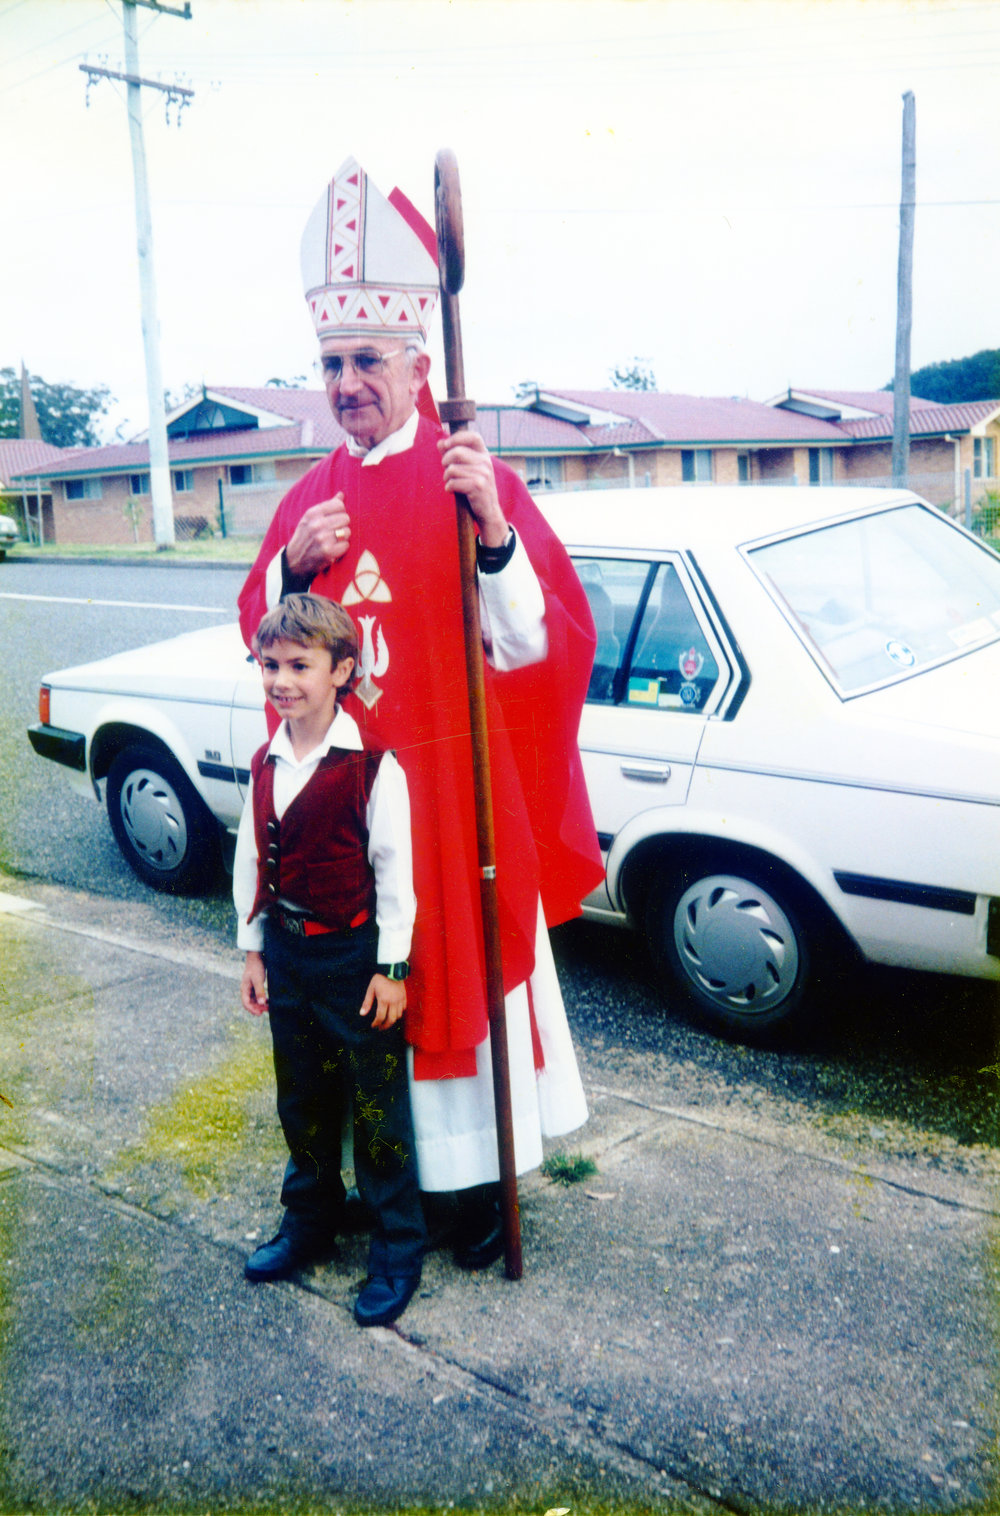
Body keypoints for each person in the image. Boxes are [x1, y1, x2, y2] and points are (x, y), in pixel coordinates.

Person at [238, 156, 604, 1269]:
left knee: (457, 976)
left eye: (366, 360)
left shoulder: (465, 474)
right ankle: (378, 1189)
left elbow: (535, 639)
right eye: (331, 362)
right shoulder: (308, 499)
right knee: (356, 1002)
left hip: (455, 795)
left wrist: (492, 529)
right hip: (347, 812)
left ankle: (478, 1191)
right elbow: (264, 637)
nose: (347, 382)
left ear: (414, 363)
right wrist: (285, 570)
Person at [233, 593, 425, 1328]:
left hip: (354, 962)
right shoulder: (265, 760)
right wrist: (253, 952)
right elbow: (251, 861)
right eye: (270, 665)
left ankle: (396, 1248)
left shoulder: (373, 768)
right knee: (302, 1101)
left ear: (342, 670)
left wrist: (393, 968)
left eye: (299, 665)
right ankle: (308, 1225)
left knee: (377, 1112)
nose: (282, 680)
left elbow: (396, 876)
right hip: (288, 956)